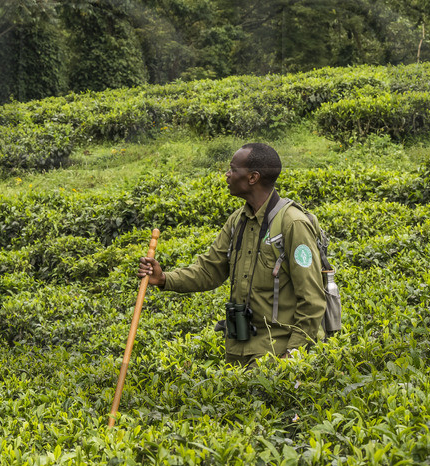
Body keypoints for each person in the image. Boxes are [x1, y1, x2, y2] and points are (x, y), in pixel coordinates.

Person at [137, 142, 327, 363]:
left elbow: (312, 301)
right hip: (238, 353)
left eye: (233, 169)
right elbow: (209, 271)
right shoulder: (238, 220)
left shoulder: (293, 224)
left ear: (253, 178)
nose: (227, 175)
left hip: (278, 355)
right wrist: (163, 279)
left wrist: (291, 357)